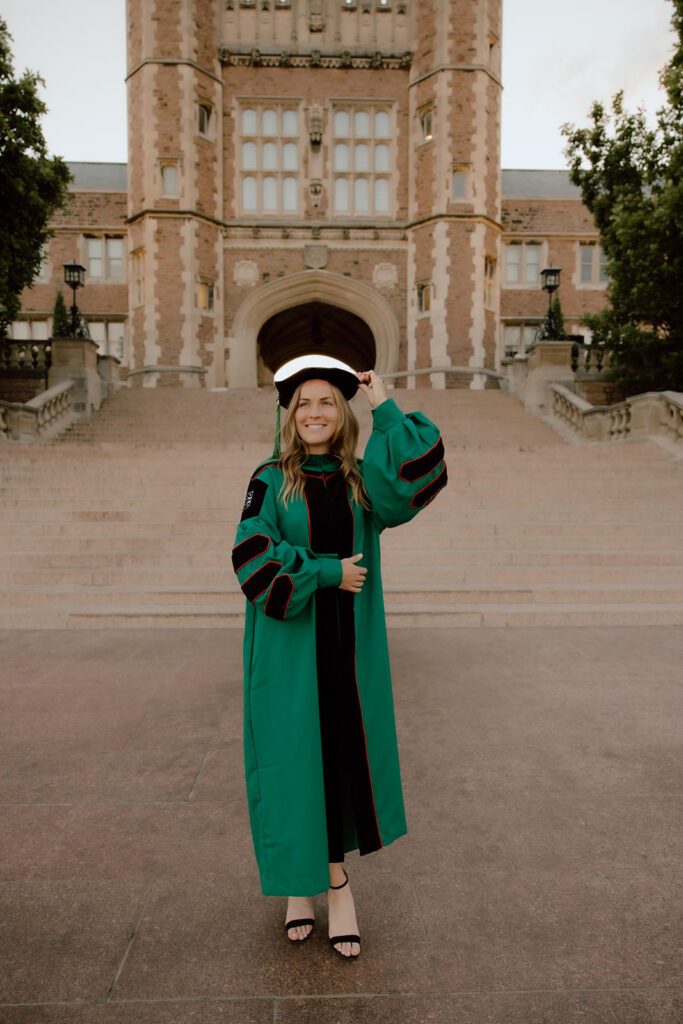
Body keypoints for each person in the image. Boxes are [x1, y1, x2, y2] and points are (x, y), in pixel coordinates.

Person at [231, 354, 447, 960]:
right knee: (293, 762)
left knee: (339, 760)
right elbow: (250, 556)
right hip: (289, 648)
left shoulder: (360, 481)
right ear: (290, 416)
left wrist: (383, 404)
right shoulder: (269, 479)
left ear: (342, 413)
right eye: (305, 403)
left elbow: (414, 484)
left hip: (350, 652)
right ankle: (311, 886)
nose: (316, 412)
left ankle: (332, 882)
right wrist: (326, 572)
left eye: (328, 401)